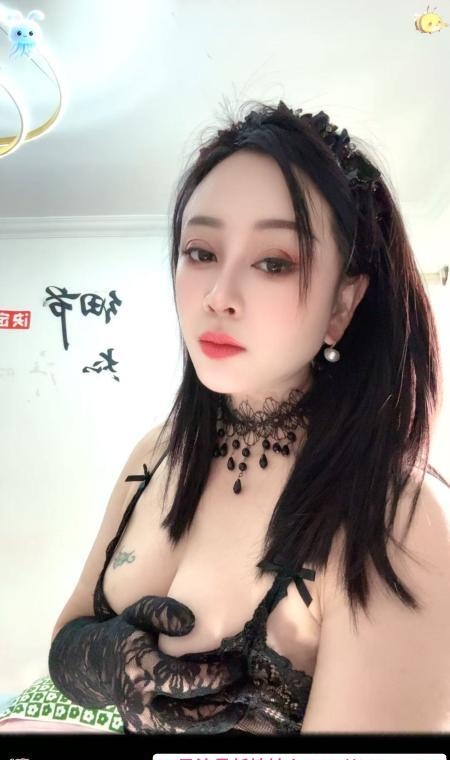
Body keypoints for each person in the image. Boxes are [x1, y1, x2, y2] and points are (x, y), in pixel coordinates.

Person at [48, 99, 450, 735]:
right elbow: (68, 636)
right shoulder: (155, 453)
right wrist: (108, 659)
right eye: (201, 251)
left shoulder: (393, 518)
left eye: (273, 262)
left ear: (342, 304)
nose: (218, 295)